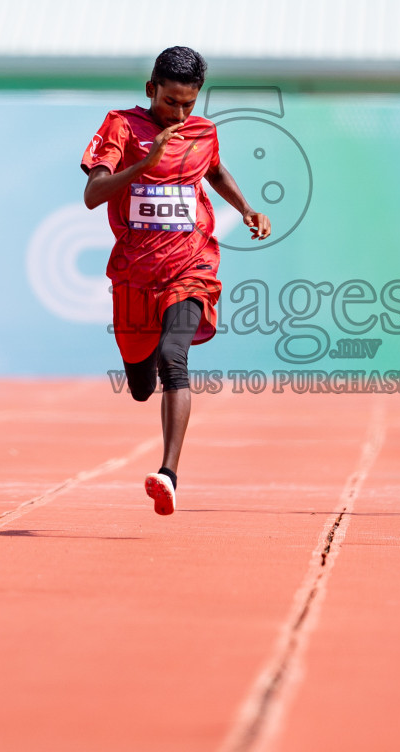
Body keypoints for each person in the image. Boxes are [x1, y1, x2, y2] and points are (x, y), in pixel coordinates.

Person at [81, 46, 271, 516]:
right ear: (151, 90)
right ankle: (141, 372)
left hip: (191, 266)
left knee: (174, 355)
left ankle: (168, 474)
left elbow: (215, 168)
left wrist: (246, 208)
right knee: (143, 386)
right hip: (134, 276)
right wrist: (143, 166)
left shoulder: (202, 132)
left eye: (189, 104)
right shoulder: (121, 127)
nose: (180, 114)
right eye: (170, 103)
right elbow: (92, 194)